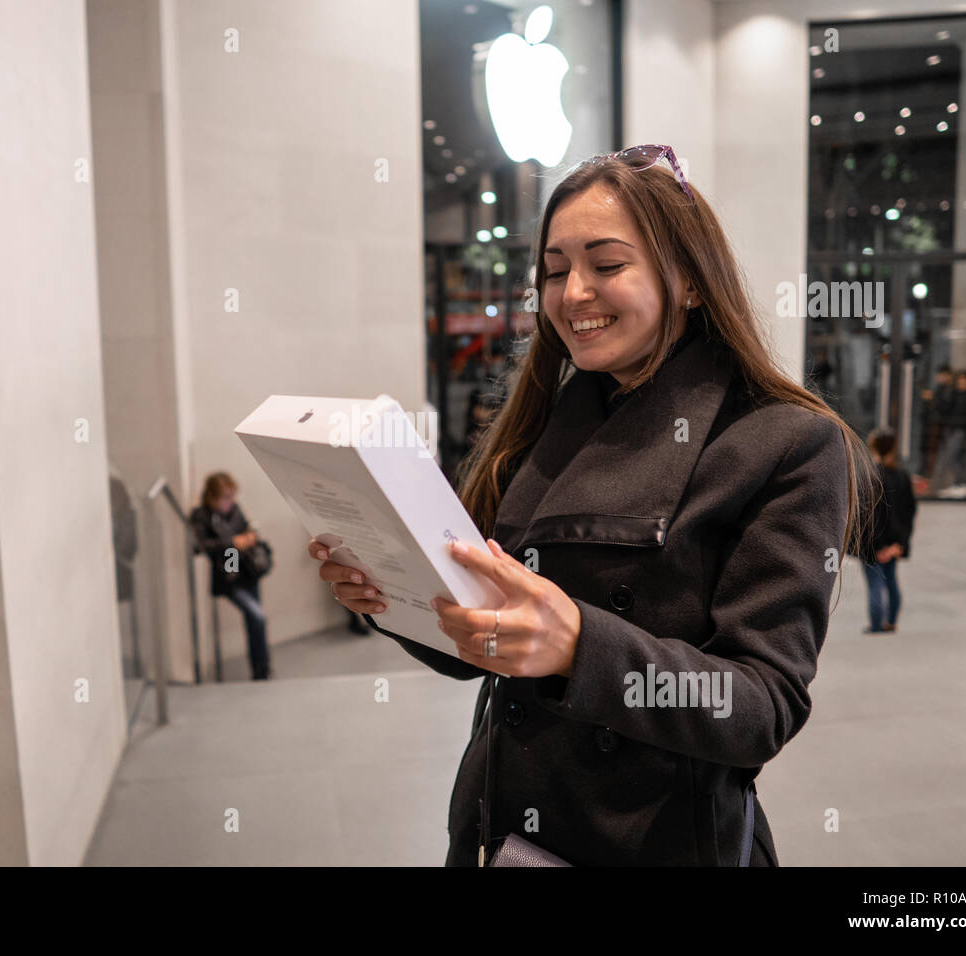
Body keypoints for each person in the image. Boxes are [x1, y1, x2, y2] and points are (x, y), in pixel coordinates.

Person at [306, 146, 874, 866]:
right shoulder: (538, 425)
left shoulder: (785, 442)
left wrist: (582, 647)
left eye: (606, 265)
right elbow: (480, 653)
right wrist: (392, 594)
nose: (573, 292)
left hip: (654, 839)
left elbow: (762, 706)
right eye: (554, 270)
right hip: (500, 828)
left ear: (690, 282)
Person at [189, 472, 272, 680]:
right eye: (225, 497)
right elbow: (199, 546)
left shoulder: (235, 510)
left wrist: (249, 537)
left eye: (231, 496)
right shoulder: (202, 515)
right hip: (228, 573)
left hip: (248, 571)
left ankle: (261, 669)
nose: (230, 501)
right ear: (213, 496)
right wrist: (233, 543)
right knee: (258, 617)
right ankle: (261, 669)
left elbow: (246, 531)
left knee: (255, 621)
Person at [858, 429, 917, 634]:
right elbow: (909, 512)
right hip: (893, 544)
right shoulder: (902, 476)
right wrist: (898, 545)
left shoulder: (870, 475)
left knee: (875, 584)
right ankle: (890, 622)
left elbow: (869, 515)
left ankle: (876, 626)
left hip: (876, 545)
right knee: (891, 582)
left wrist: (879, 546)